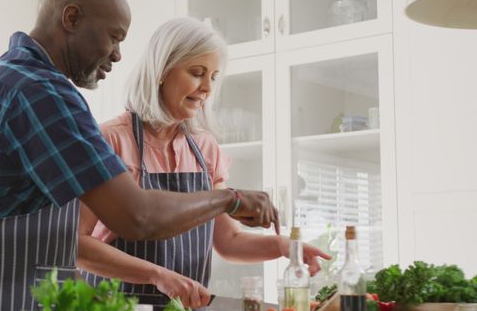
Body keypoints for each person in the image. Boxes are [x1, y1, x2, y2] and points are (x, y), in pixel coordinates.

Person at [0, 0, 278, 310]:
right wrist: (230, 200)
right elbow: (135, 216)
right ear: (71, 18)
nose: (118, 56)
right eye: (114, 37)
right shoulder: (39, 90)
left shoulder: (15, 77)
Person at [77, 17, 332, 310]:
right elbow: (79, 245)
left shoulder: (203, 147)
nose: (207, 88)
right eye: (197, 73)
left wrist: (284, 246)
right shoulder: (110, 141)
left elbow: (228, 241)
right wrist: (157, 276)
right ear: (161, 71)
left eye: (213, 76)